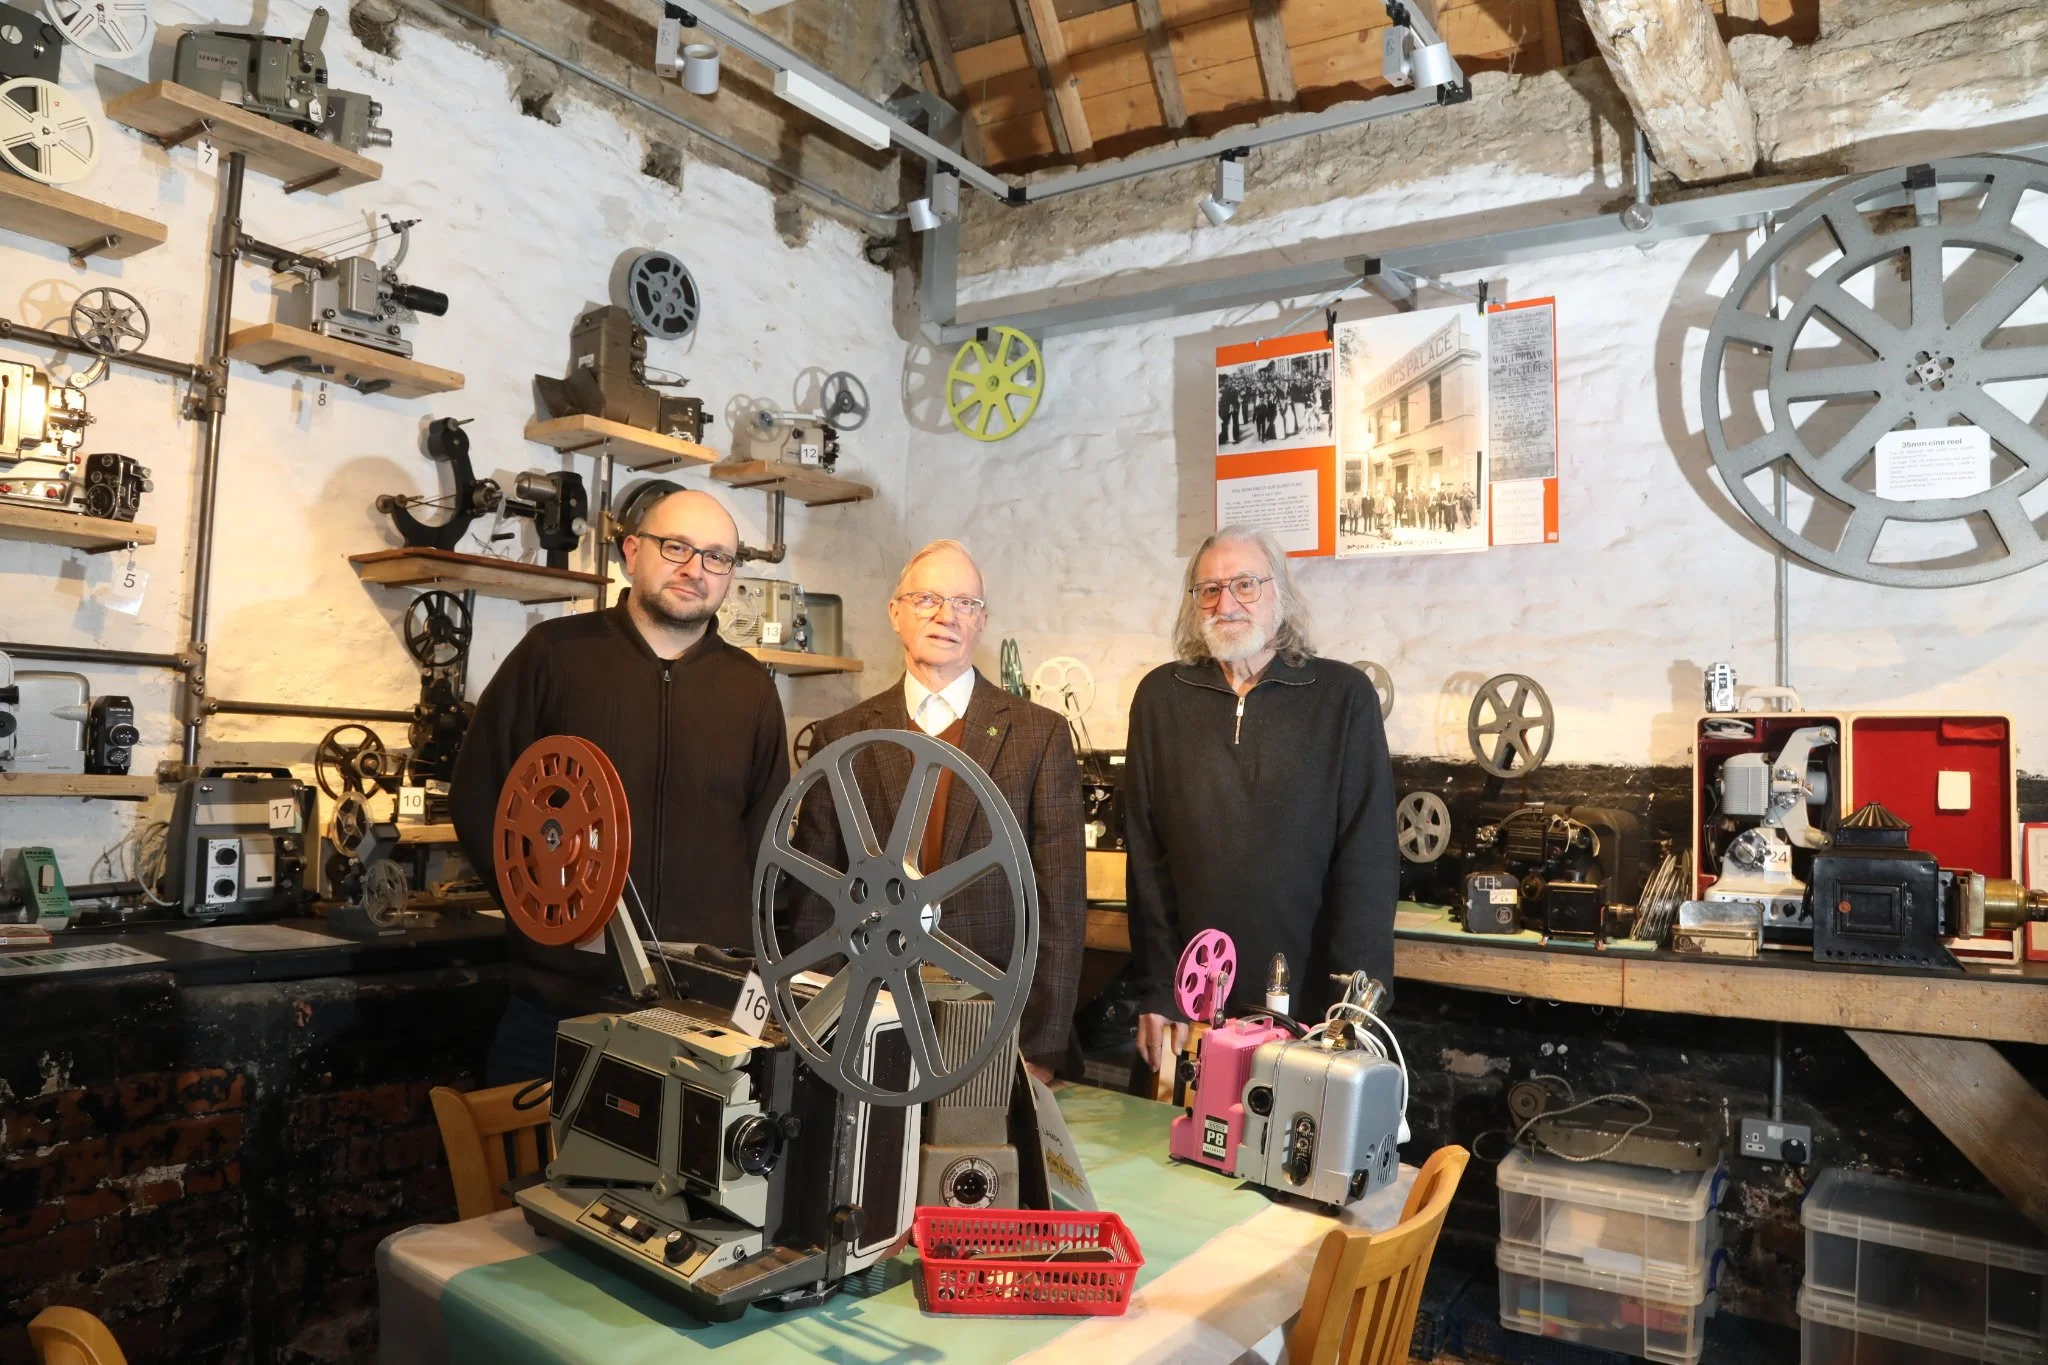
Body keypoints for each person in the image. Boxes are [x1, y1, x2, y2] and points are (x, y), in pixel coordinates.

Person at [452, 486, 790, 1086]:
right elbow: (481, 799)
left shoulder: (751, 688)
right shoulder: (554, 655)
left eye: (716, 557)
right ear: (631, 552)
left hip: (703, 1018)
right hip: (558, 1007)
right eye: (676, 547)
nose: (695, 570)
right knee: (536, 1178)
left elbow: (766, 841)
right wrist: (543, 919)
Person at [788, 540, 1085, 1082]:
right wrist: (820, 1022)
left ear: (982, 621)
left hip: (989, 1013)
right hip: (870, 1011)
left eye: (964, 603)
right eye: (926, 598)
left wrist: (1041, 1046)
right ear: (896, 612)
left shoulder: (1038, 736)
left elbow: (1060, 903)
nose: (946, 615)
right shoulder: (843, 736)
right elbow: (815, 900)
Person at [1124, 525, 1397, 1075]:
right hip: (1191, 1007)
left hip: (1313, 1012)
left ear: (1281, 596)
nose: (1226, 603)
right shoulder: (1161, 698)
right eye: (1209, 589)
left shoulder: (1342, 699)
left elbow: (1367, 864)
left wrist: (1351, 1018)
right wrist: (1159, 989)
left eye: (1245, 584)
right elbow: (1146, 863)